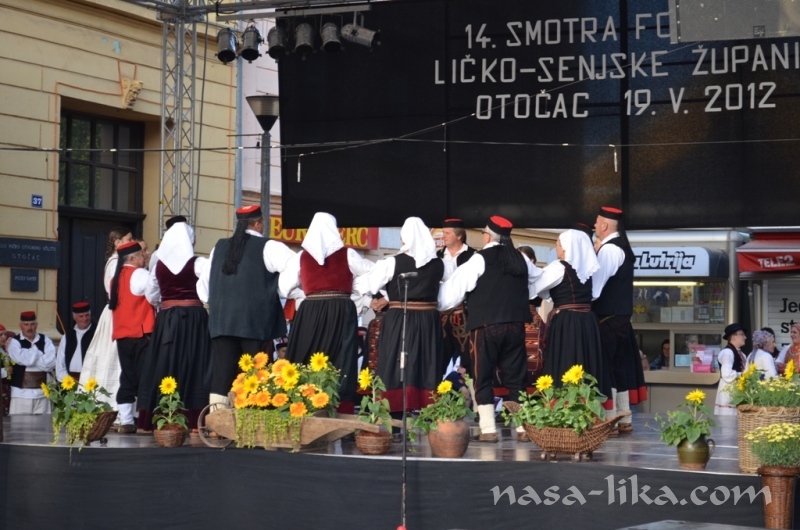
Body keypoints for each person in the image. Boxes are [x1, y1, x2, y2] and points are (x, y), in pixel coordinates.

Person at [439, 215, 542, 443]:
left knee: (482, 375)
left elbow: (453, 291)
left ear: (488, 236)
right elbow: (539, 282)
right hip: (515, 325)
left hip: (486, 327)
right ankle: (522, 427)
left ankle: (488, 429)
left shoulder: (479, 259)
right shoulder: (521, 259)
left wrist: (436, 303)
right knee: (516, 377)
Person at [197, 205, 295, 406]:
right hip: (254, 322)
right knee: (256, 374)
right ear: (258, 224)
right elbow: (295, 268)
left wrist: (218, 304)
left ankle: (217, 417)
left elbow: (204, 286)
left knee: (221, 375)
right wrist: (278, 290)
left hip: (222, 322)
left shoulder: (219, 247)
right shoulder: (269, 247)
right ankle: (252, 416)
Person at [281, 212, 375, 414]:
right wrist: (355, 288)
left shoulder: (301, 258)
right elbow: (372, 272)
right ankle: (340, 407)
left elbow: (284, 287)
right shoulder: (348, 254)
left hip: (310, 310)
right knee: (341, 356)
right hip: (341, 309)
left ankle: (304, 404)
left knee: (307, 354)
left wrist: (306, 292)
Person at [356, 217, 446, 419]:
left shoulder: (392, 262)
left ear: (404, 238)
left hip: (399, 319)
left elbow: (365, 285)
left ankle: (395, 415)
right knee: (426, 361)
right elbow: (448, 296)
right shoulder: (440, 264)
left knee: (395, 361)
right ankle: (429, 415)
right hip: (428, 320)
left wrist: (382, 296)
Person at [138, 221, 211, 431]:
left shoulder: (158, 267)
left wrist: (167, 302)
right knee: (195, 363)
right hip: (194, 319)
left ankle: (161, 418)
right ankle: (194, 419)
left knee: (164, 363)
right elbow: (208, 290)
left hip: (168, 319)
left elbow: (151, 295)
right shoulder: (198, 264)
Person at [532, 229, 611, 406]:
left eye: (559, 244)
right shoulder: (589, 270)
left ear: (567, 247)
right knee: (585, 361)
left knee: (566, 359)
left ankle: (564, 406)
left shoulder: (559, 267)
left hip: (567, 322)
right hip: (588, 321)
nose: (557, 248)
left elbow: (536, 286)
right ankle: (587, 406)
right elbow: (595, 294)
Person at [592, 206, 647, 434]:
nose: (594, 226)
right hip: (621, 319)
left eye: (597, 222)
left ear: (604, 225)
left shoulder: (609, 250)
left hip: (607, 318)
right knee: (619, 368)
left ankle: (611, 419)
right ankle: (625, 418)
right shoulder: (621, 247)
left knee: (607, 369)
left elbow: (595, 289)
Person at [80, 226, 133, 410]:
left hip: (119, 311)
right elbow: (115, 290)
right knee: (112, 356)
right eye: (128, 239)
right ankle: (110, 406)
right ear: (117, 242)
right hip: (115, 312)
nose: (131, 242)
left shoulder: (120, 261)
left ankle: (122, 407)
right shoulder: (115, 263)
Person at [109, 241, 156, 433]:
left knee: (128, 376)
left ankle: (127, 420)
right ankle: (144, 420)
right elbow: (154, 295)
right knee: (146, 376)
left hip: (122, 334)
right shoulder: (140, 274)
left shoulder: (115, 278)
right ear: (133, 258)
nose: (145, 256)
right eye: (141, 254)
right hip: (141, 333)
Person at [437, 218, 476, 373]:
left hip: (464, 313)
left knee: (469, 359)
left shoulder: (474, 256)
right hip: (441, 315)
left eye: (447, 233)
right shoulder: (437, 256)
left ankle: (469, 387)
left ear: (459, 236)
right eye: (443, 233)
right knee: (438, 358)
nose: (443, 236)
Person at [6, 311, 56, 415]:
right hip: (21, 394)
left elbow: (50, 363)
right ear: (20, 326)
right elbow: (24, 360)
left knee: (43, 424)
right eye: (26, 324)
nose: (29, 327)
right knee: (19, 424)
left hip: (42, 394)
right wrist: (39, 353)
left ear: (36, 325)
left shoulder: (45, 340)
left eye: (32, 324)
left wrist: (28, 356)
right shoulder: (14, 342)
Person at [55, 302, 95, 382]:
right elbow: (60, 363)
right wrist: (67, 381)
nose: (85, 319)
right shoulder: (67, 337)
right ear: (74, 317)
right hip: (69, 382)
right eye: (81, 316)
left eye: (87, 315)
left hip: (90, 382)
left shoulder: (96, 334)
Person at [715, 323, 748, 415]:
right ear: (733, 336)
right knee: (728, 419)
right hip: (729, 390)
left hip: (737, 391)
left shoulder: (741, 354)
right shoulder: (727, 352)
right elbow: (726, 374)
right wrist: (743, 375)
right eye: (742, 334)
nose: (745, 337)